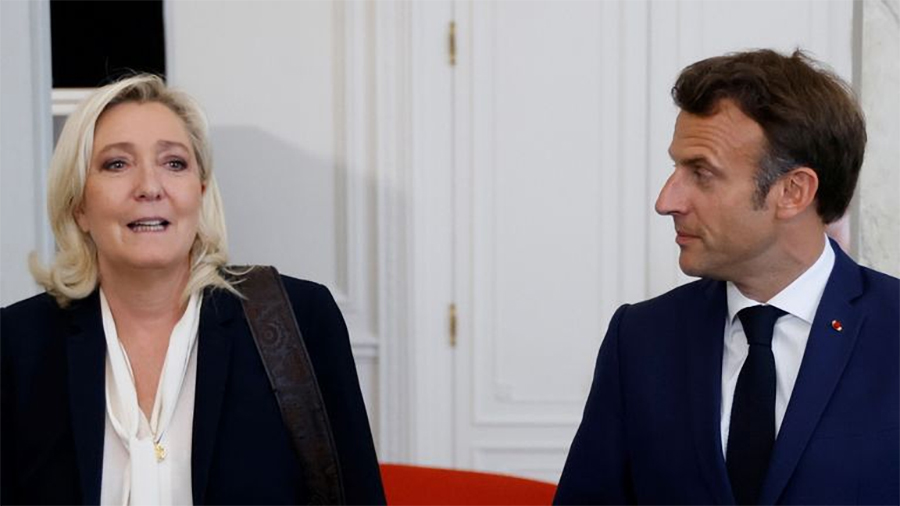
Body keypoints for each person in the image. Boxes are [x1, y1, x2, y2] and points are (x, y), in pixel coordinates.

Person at [0, 74, 386, 505]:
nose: (150, 187)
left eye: (174, 163)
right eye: (117, 164)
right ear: (79, 207)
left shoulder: (301, 319)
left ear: (200, 193)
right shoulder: (18, 343)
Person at [554, 49, 898, 505]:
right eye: (676, 168)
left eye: (701, 173)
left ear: (793, 191)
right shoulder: (639, 339)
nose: (667, 201)